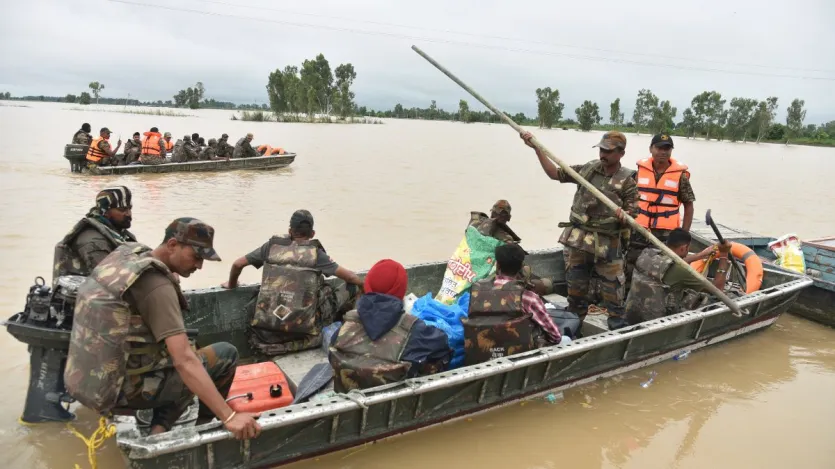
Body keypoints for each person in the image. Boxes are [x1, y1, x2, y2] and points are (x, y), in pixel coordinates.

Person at [63, 218, 262, 439]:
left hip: (86, 380)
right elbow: (184, 361)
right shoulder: (157, 285)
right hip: (120, 392)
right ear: (172, 245)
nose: (199, 266)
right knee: (222, 355)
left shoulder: (126, 254)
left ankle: (159, 429)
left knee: (188, 355)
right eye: (196, 257)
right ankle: (203, 427)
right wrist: (229, 416)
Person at [521, 130, 638, 331]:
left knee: (614, 295)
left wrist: (625, 215)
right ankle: (572, 330)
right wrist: (537, 149)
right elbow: (555, 173)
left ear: (621, 153)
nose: (603, 154)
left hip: (608, 244)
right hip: (579, 241)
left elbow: (633, 213)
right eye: (601, 150)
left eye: (608, 151)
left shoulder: (627, 180)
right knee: (575, 292)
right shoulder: (588, 169)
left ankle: (618, 331)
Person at [222, 210, 364, 355]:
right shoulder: (316, 254)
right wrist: (363, 286)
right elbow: (351, 278)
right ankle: (347, 329)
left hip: (267, 326)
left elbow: (238, 264)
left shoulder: (271, 246)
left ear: (290, 231)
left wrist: (232, 284)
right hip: (304, 326)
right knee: (347, 287)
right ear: (312, 234)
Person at [329, 259, 451, 392]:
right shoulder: (415, 329)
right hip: (397, 399)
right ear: (401, 291)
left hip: (349, 397)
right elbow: (443, 344)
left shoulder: (346, 325)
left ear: (368, 286)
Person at [463, 244, 562, 364]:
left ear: (497, 265)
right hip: (521, 358)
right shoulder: (528, 297)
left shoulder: (476, 291)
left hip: (481, 355)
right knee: (566, 339)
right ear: (521, 267)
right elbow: (555, 336)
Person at [625, 133, 696, 286]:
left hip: (666, 234)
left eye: (667, 149)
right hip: (639, 229)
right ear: (651, 149)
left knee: (663, 268)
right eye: (659, 148)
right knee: (631, 263)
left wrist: (684, 234)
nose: (663, 152)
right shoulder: (639, 172)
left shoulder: (680, 176)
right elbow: (628, 197)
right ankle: (630, 293)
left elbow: (689, 205)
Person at [625, 228, 730, 325]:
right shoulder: (681, 271)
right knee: (711, 299)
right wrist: (724, 255)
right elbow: (718, 290)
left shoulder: (647, 254)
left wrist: (700, 255)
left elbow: (672, 262)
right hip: (656, 322)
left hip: (632, 314)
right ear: (684, 248)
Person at [468, 200, 552, 295]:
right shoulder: (506, 239)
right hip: (502, 282)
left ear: (492, 212)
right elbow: (516, 269)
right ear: (507, 218)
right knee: (547, 284)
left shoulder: (474, 229)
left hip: (471, 276)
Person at [54, 186, 137, 280]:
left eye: (129, 208)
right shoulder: (94, 241)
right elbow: (108, 279)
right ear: (105, 212)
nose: (128, 214)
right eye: (122, 210)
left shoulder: (119, 234)